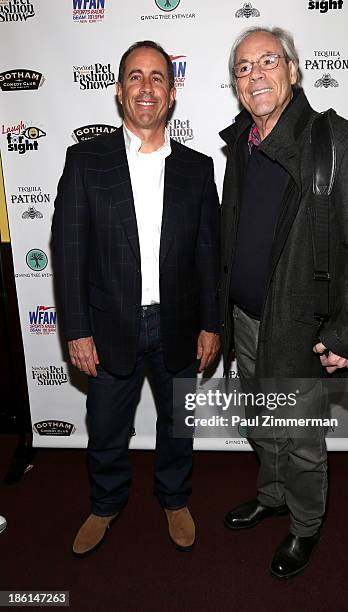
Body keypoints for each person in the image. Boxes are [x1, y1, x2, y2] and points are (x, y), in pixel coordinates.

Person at [219, 27, 348, 578]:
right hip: (243, 320)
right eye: (243, 67)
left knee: (302, 440)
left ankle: (305, 525)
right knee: (261, 425)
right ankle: (273, 495)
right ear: (236, 84)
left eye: (268, 61)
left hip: (298, 326)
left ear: (293, 70)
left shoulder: (338, 143)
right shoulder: (242, 143)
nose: (255, 73)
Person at [52, 40, 220, 558]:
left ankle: (174, 497)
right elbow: (69, 247)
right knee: (105, 428)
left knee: (178, 423)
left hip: (179, 323)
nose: (146, 87)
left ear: (171, 93)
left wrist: (212, 324)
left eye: (157, 77)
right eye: (135, 76)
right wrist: (76, 329)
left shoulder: (198, 167)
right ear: (120, 90)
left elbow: (209, 256)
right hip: (107, 328)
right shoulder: (85, 160)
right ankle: (105, 503)